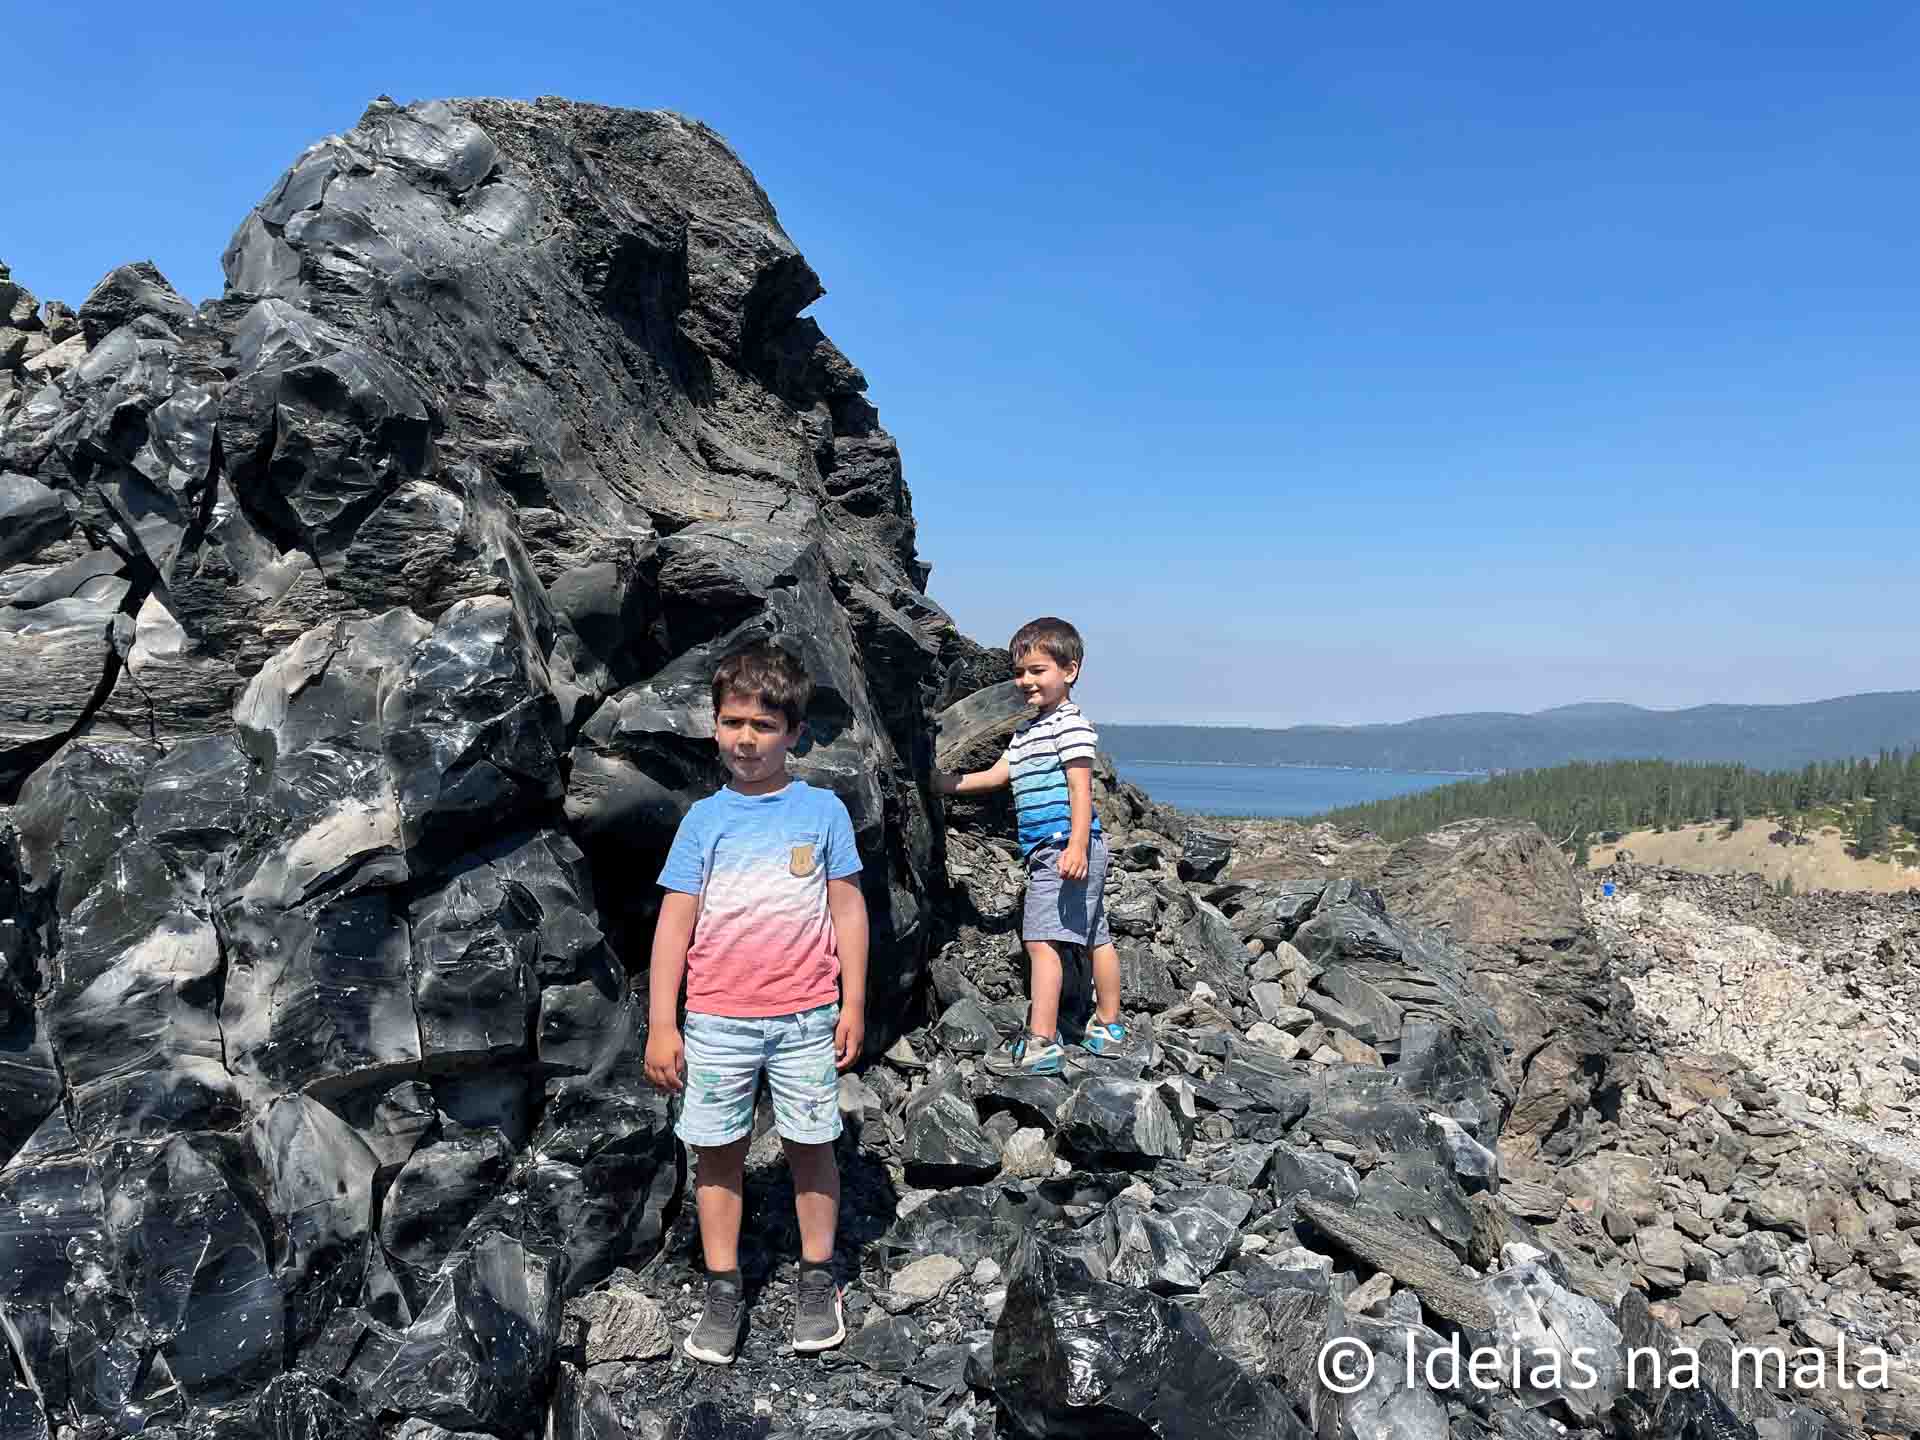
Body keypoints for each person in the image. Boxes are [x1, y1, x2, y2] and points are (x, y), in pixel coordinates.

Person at [644, 641, 869, 1365]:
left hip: (806, 1016)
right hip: (714, 1019)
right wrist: (661, 1023)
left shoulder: (824, 812)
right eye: (734, 721)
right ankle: (721, 1285)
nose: (747, 738)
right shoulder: (702, 821)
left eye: (765, 726)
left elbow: (848, 910)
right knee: (718, 1152)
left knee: (812, 1144)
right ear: (715, 724)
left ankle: (816, 1276)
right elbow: (674, 925)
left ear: (794, 733)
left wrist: (853, 1002)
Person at [934, 616, 1127, 1075]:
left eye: (1038, 671)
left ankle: (1041, 1041)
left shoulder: (1069, 725)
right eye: (1020, 672)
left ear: (1070, 670)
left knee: (1041, 942)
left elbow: (1082, 788)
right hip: (1058, 846)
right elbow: (997, 777)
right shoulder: (1026, 731)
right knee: (1095, 937)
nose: (1026, 681)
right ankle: (1107, 1025)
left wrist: (1077, 845)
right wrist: (941, 783)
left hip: (1063, 846)